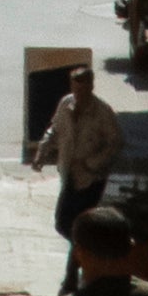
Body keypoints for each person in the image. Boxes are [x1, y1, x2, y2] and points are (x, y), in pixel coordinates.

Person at [29, 64, 122, 280]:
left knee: (79, 226)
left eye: (84, 89)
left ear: (91, 86)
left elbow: (115, 142)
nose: (79, 94)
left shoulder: (102, 112)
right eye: (76, 89)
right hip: (70, 174)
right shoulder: (65, 104)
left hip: (91, 178)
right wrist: (42, 152)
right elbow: (55, 129)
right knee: (63, 223)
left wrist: (93, 163)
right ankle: (87, 254)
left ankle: (72, 275)